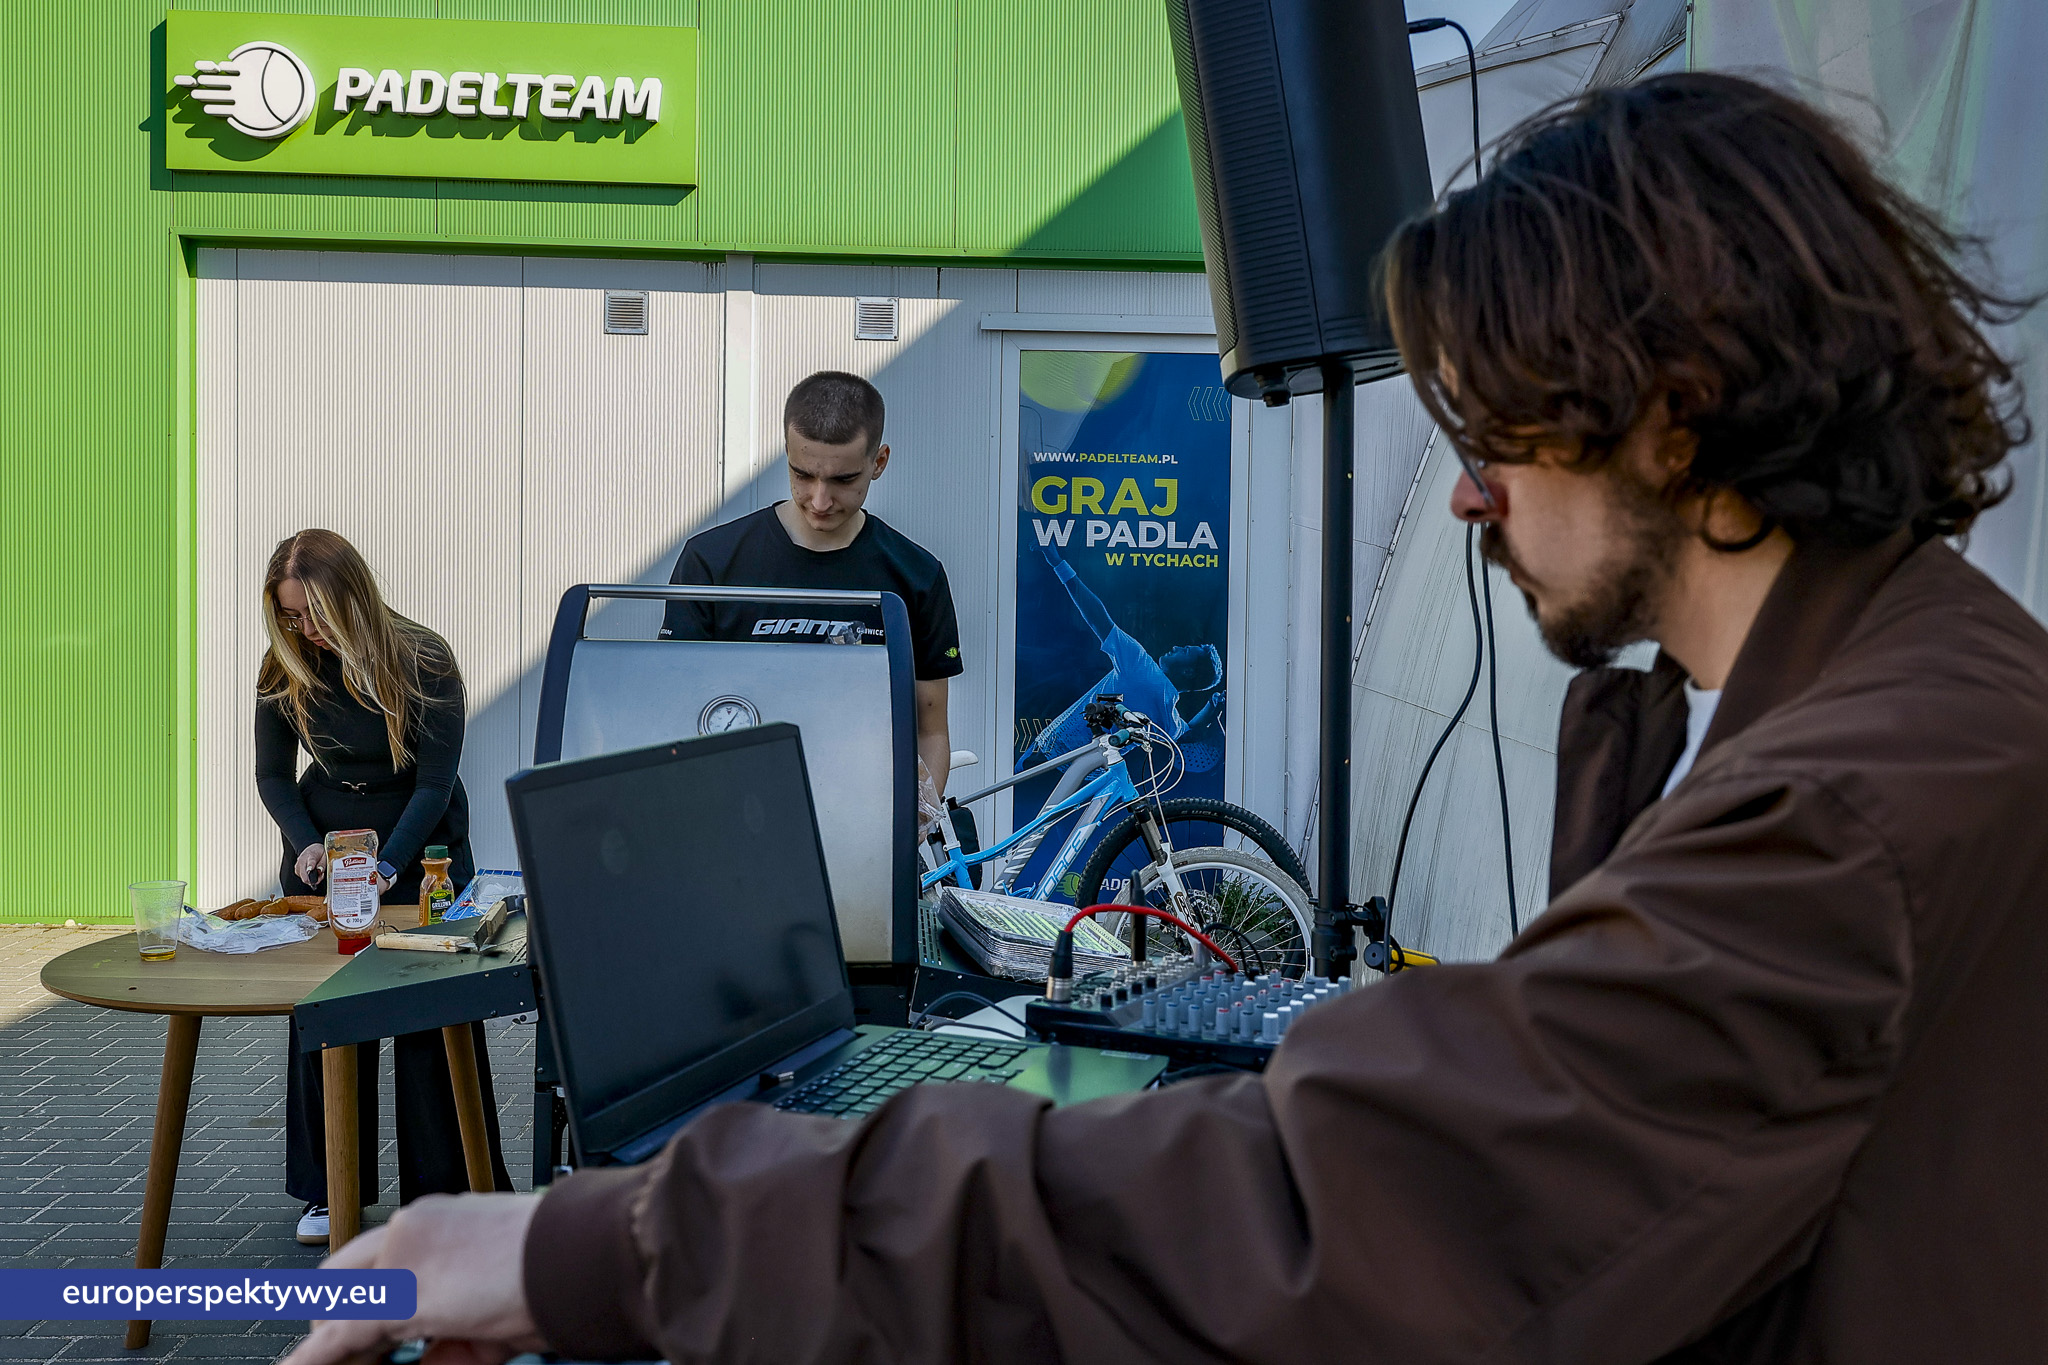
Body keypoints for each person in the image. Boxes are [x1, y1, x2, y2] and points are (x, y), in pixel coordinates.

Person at [283, 74, 2048, 1364]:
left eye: (1499, 434)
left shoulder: (1851, 806)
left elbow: (1320, 1214)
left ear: (1670, 415)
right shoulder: (1897, 707)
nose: (1463, 501)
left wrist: (605, 1243)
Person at [255, 529, 511, 1245]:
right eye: (290, 616)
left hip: (421, 850)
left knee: (428, 1012)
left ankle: (447, 1193)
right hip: (328, 849)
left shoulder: (424, 659)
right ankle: (328, 1188)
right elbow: (274, 775)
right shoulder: (284, 666)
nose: (303, 629)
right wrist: (308, 847)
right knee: (326, 1014)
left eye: (313, 614)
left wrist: (386, 868)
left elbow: (433, 784)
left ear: (351, 599)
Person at [660, 370, 964, 793]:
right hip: (734, 808)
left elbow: (929, 730)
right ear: (786, 453)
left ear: (878, 463)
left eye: (843, 480)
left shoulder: (916, 576)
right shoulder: (711, 562)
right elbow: (673, 715)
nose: (820, 501)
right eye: (802, 474)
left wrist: (915, 820)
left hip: (864, 814)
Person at [1018, 542, 1226, 774]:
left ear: (1188, 671)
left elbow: (1097, 616)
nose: (1177, 646)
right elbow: (1189, 731)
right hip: (1087, 775)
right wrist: (1212, 706)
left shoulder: (1141, 666)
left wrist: (1058, 563)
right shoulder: (1167, 714)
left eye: (1186, 650)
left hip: (1047, 755)